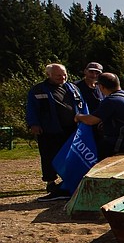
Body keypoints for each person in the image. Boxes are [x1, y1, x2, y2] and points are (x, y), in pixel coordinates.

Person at [25, 63, 85, 201]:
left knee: (70, 156)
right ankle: (51, 182)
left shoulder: (73, 88)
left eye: (64, 74)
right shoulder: (38, 90)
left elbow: (82, 105)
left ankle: (69, 181)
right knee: (48, 156)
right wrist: (33, 124)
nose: (62, 77)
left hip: (72, 130)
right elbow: (31, 109)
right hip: (49, 130)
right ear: (49, 75)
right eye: (58, 75)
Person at [73, 72, 124, 158]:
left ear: (101, 86)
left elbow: (91, 120)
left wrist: (78, 117)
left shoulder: (111, 101)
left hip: (118, 145)